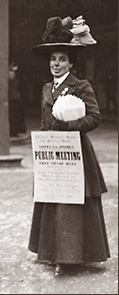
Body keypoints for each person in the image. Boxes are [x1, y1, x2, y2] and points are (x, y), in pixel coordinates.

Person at [29, 16, 110, 276]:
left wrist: (69, 126)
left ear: (71, 62)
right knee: (52, 197)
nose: (56, 64)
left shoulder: (80, 86)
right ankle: (51, 252)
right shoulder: (45, 89)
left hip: (76, 152)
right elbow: (45, 122)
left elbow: (94, 117)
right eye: (53, 59)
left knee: (72, 203)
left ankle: (71, 256)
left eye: (62, 59)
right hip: (52, 152)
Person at [8, 62, 26, 137]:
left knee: (15, 116)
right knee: (13, 116)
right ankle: (13, 131)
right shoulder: (11, 81)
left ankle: (14, 131)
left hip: (15, 99)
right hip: (12, 99)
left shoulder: (15, 80)